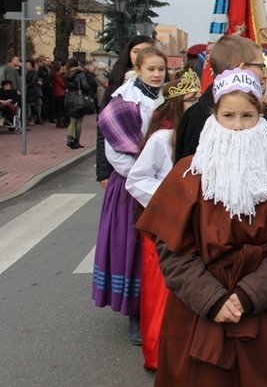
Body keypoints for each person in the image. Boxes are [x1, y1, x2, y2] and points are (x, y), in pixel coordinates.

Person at [135, 68, 267, 386]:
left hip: (265, 310)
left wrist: (248, 296)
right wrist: (212, 300)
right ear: (214, 117)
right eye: (229, 115)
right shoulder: (186, 174)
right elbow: (172, 251)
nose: (238, 126)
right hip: (198, 311)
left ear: (261, 117)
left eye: (247, 116)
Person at [124, 71, 201, 370]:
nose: (197, 105)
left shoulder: (198, 134)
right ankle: (157, 354)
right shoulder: (161, 138)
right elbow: (137, 179)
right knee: (160, 293)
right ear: (176, 105)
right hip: (162, 225)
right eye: (190, 101)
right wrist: (171, 197)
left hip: (189, 222)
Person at [93, 46, 167, 344]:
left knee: (157, 250)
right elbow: (116, 154)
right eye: (151, 69)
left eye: (161, 69)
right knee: (132, 249)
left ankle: (158, 307)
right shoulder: (124, 101)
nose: (157, 74)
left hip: (160, 184)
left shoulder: (165, 97)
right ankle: (134, 313)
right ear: (138, 69)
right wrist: (142, 177)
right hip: (130, 187)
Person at [174, 35, 267, 162]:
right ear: (240, 68)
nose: (265, 75)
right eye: (261, 67)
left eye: (246, 116)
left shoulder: (193, 114)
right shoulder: (200, 119)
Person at [96, 35, 157, 188]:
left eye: (146, 51)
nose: (141, 56)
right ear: (128, 53)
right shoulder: (118, 82)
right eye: (136, 51)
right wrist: (103, 172)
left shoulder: (160, 83)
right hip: (123, 166)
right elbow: (105, 127)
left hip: (154, 166)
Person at [64, 58, 94, 148]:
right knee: (79, 121)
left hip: (69, 96)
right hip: (79, 97)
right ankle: (76, 140)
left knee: (72, 121)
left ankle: (69, 139)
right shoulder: (80, 74)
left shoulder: (66, 74)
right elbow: (85, 86)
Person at [25, 59, 44, 125]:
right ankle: (33, 118)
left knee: (35, 105)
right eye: (26, 64)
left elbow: (34, 81)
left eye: (29, 65)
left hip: (33, 91)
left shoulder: (34, 72)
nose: (27, 66)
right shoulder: (25, 72)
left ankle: (35, 118)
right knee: (31, 106)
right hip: (29, 91)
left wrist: (26, 86)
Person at [51, 62, 67, 127]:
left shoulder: (53, 74)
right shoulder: (57, 75)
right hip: (60, 92)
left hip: (57, 92)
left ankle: (59, 121)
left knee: (59, 107)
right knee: (61, 108)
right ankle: (61, 122)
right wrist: (66, 87)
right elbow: (62, 83)